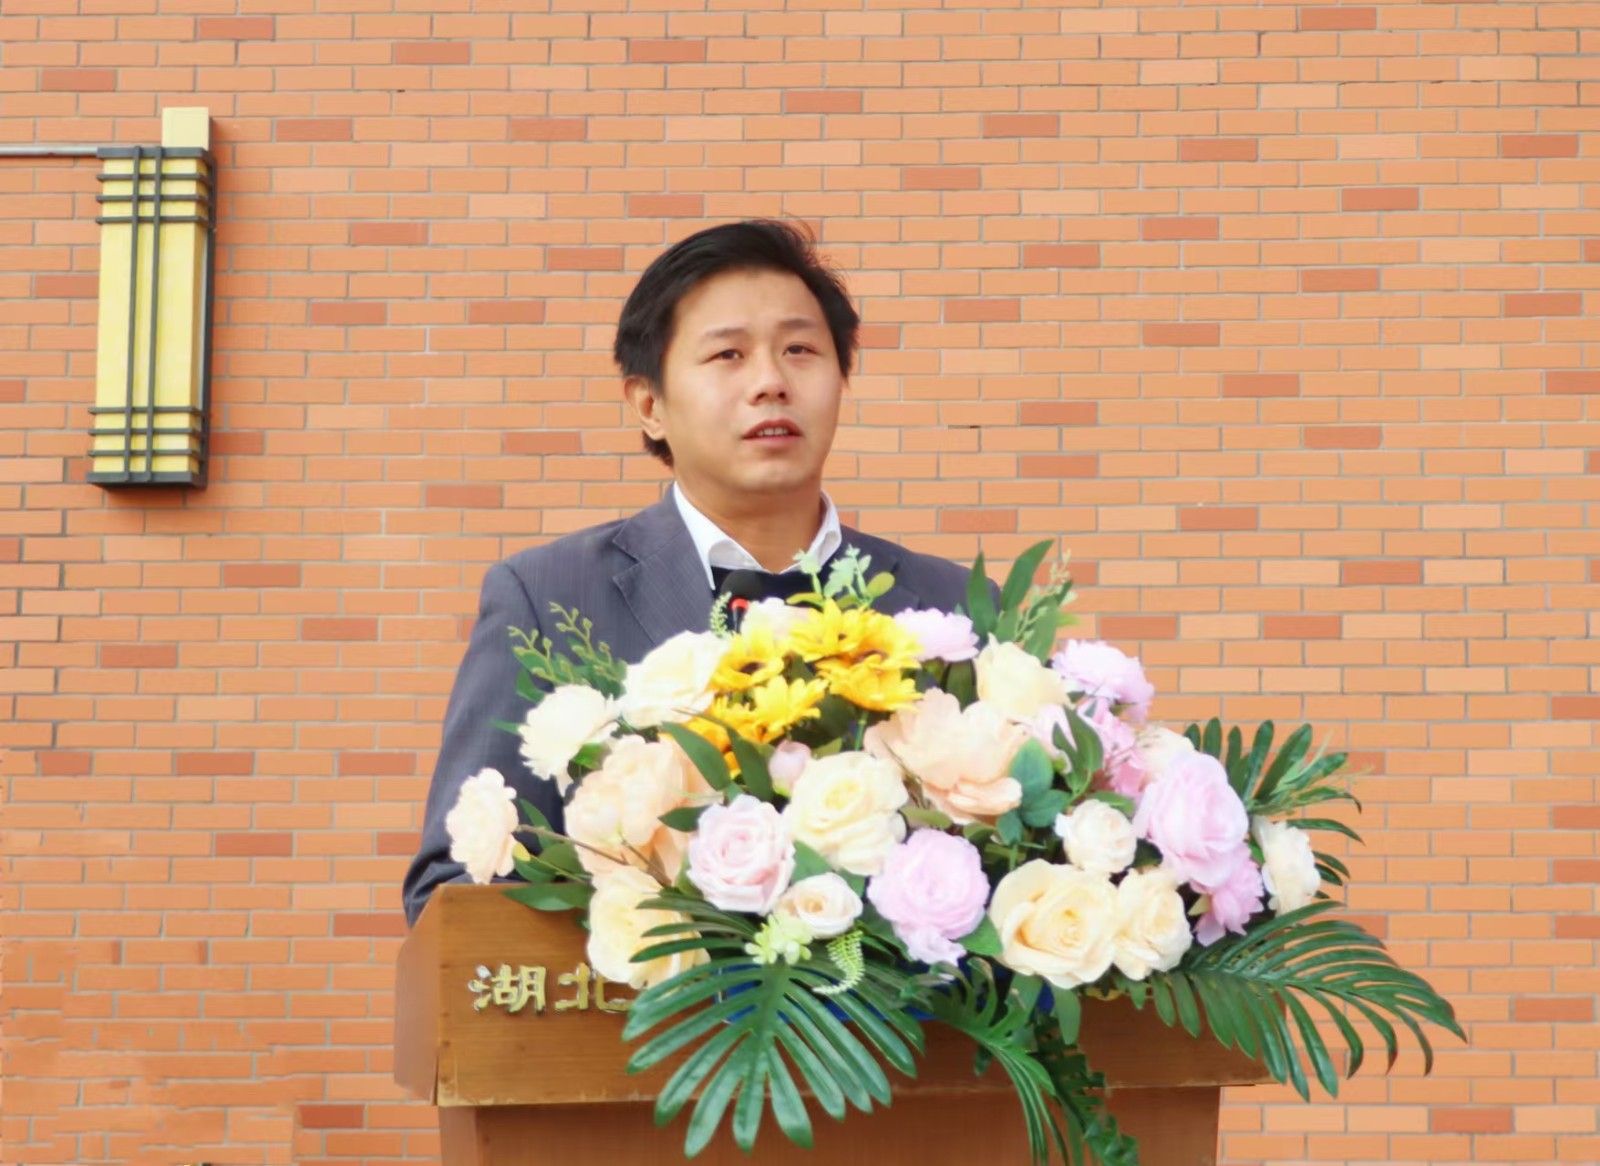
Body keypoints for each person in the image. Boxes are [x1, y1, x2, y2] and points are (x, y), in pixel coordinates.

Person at [403, 219, 983, 925]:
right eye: (728, 355)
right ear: (649, 405)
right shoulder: (549, 601)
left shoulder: (953, 612)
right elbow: (456, 891)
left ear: (841, 379)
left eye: (800, 350)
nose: (770, 382)